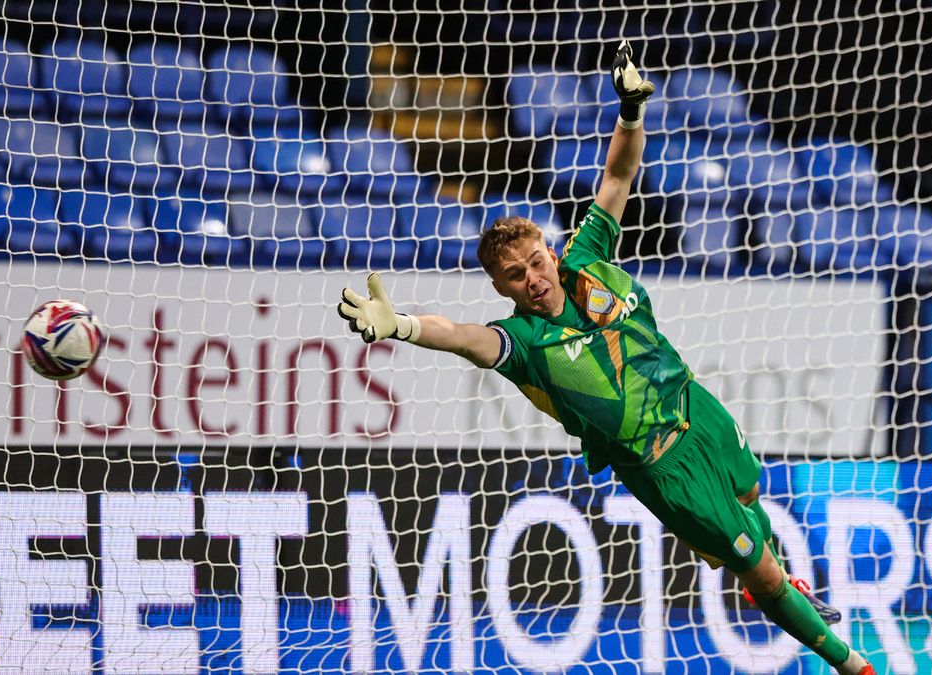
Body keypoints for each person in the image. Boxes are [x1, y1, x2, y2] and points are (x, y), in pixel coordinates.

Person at [337, 41, 876, 675]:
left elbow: (617, 177)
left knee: (753, 490)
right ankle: (855, 666)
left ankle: (767, 570)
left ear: (550, 250)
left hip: (697, 409)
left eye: (536, 261)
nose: (533, 278)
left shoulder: (588, 259)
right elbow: (458, 334)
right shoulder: (525, 346)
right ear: (501, 287)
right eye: (516, 275)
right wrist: (399, 323)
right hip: (662, 468)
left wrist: (629, 112)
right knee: (755, 567)